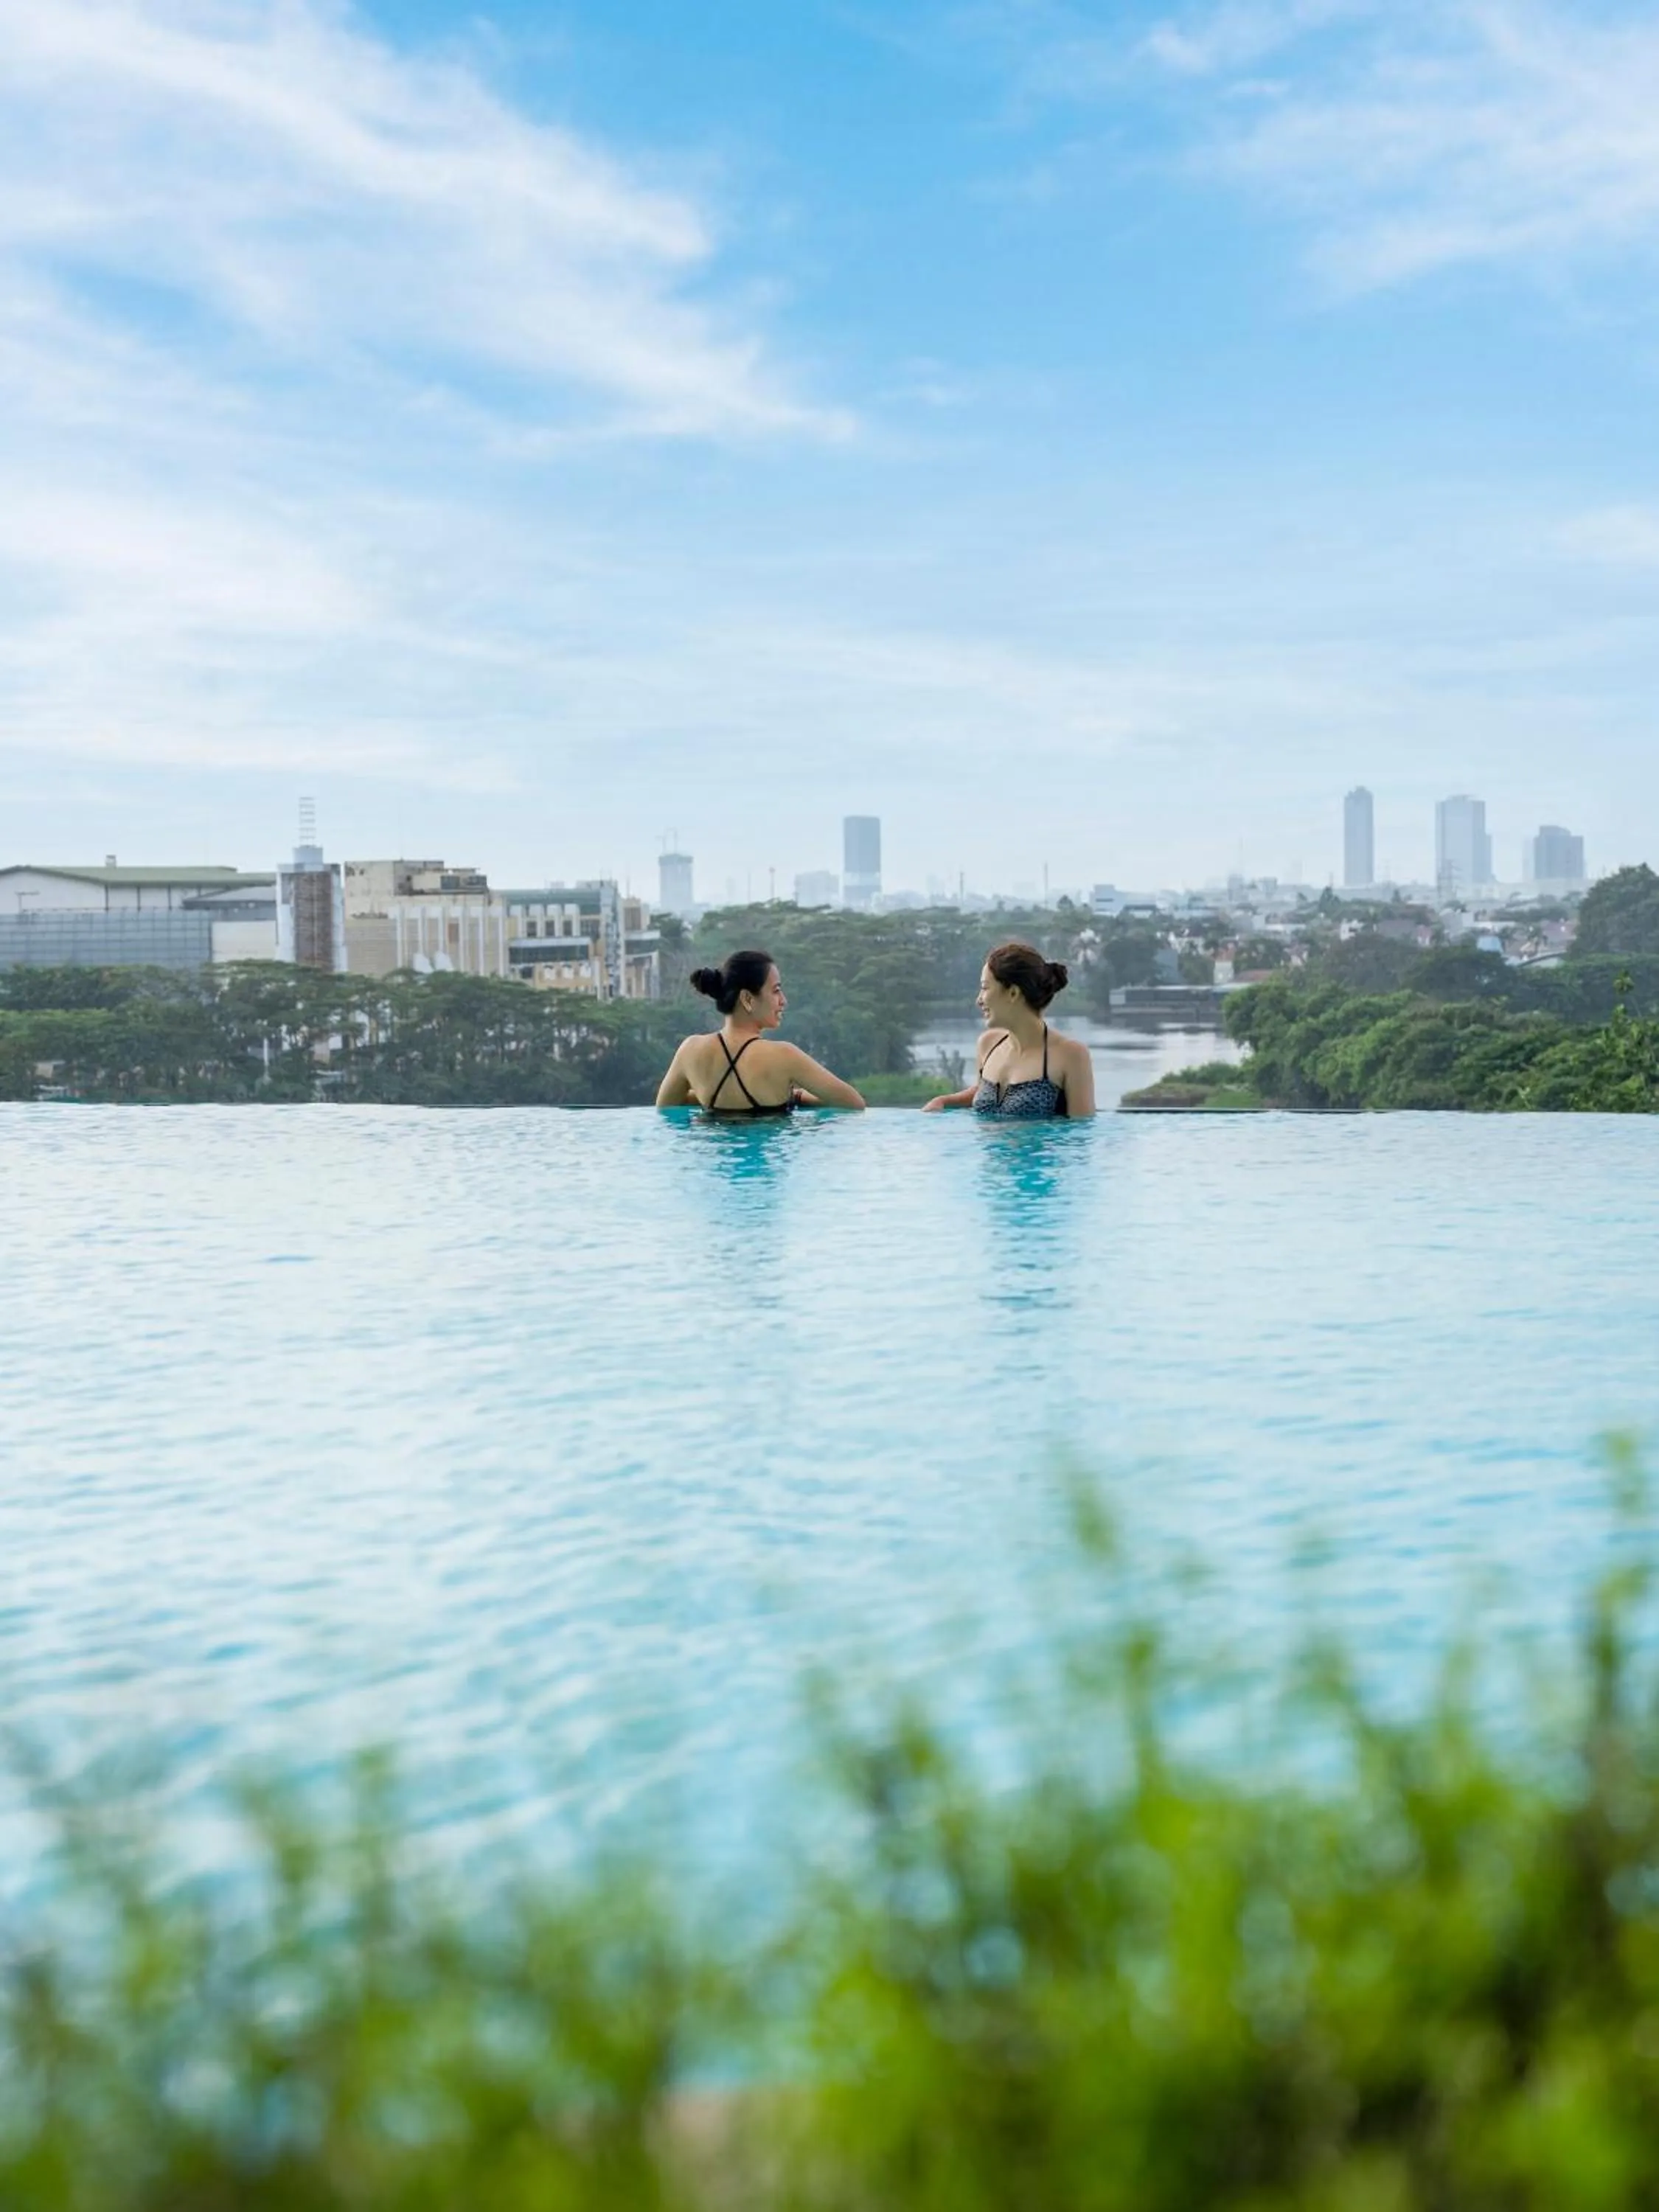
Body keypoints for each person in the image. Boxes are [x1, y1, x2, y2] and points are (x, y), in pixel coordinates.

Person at [655, 948, 866, 1114]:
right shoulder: (784, 1056)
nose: (783, 1001)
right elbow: (853, 1103)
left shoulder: (691, 1050)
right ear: (747, 999)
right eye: (776, 991)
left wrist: (707, 1095)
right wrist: (797, 1098)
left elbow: (666, 1107)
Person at [924, 941, 1096, 1119]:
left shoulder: (1071, 1055)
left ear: (1013, 993)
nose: (979, 1000)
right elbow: (983, 1092)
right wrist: (944, 1101)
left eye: (985, 988)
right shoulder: (989, 1044)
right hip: (983, 1147)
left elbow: (1081, 1133)